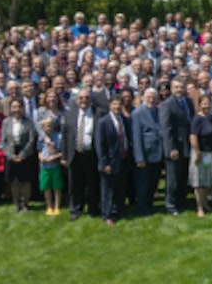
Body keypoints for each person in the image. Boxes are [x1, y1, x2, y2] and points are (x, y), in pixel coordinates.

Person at [61, 87, 100, 220]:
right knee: (75, 185)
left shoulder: (98, 114)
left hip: (91, 154)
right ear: (77, 100)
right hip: (75, 154)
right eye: (81, 98)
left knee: (92, 184)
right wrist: (64, 155)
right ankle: (76, 210)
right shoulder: (70, 114)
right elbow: (65, 136)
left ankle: (93, 209)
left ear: (91, 100)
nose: (84, 100)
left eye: (87, 98)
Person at [159, 77, 195, 216]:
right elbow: (166, 129)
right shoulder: (167, 104)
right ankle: (170, 204)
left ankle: (181, 201)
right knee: (172, 179)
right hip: (175, 147)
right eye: (176, 87)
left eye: (181, 87)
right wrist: (170, 148)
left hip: (186, 145)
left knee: (183, 176)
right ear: (172, 89)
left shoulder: (189, 102)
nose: (179, 89)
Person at [0, 98, 37, 212]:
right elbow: (3, 141)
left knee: (26, 181)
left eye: (18, 107)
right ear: (10, 109)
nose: (16, 109)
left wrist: (22, 155)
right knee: (14, 181)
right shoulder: (6, 122)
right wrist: (11, 155)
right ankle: (16, 204)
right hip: (11, 153)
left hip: (25, 153)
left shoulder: (29, 121)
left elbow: (31, 140)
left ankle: (25, 204)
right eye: (14, 107)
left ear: (22, 108)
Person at [95, 94, 129, 224]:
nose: (117, 106)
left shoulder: (124, 120)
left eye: (119, 104)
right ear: (109, 106)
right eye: (114, 104)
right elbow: (100, 145)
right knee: (107, 190)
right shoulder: (103, 122)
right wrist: (104, 163)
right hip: (109, 162)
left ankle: (118, 211)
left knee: (120, 188)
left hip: (122, 159)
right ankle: (107, 215)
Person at [189, 93, 212, 218]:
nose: (206, 105)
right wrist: (197, 152)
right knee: (200, 181)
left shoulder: (211, 117)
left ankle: (205, 203)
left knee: (208, 180)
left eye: (208, 103)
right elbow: (193, 136)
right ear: (199, 105)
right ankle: (199, 207)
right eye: (203, 103)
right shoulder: (197, 119)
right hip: (201, 153)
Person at [131, 87, 164, 216]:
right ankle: (142, 208)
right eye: (148, 97)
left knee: (153, 182)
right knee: (143, 183)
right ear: (143, 98)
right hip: (145, 154)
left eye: (153, 97)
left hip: (157, 152)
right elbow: (136, 137)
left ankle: (149, 205)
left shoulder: (157, 111)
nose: (151, 99)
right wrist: (139, 157)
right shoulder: (138, 113)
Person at [38, 115, 63, 215]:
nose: (48, 127)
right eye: (46, 125)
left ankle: (57, 206)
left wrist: (56, 157)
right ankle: (49, 206)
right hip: (45, 166)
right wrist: (41, 157)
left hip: (56, 165)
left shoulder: (59, 137)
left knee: (57, 187)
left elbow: (62, 152)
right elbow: (39, 151)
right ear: (43, 127)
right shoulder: (41, 138)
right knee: (46, 187)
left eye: (50, 125)